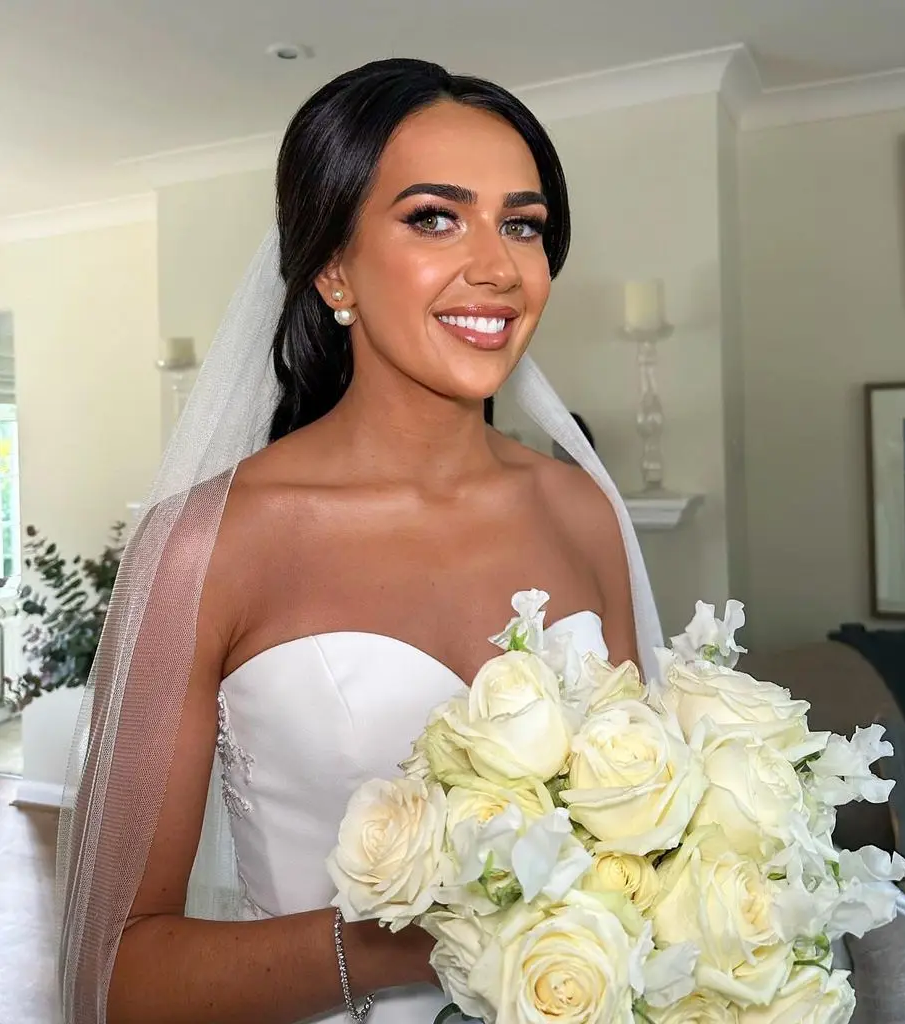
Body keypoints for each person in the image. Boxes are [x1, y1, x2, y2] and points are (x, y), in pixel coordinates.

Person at [56, 58, 661, 1024]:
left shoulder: (581, 509)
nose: (499, 266)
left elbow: (653, 844)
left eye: (523, 223)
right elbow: (116, 973)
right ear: (334, 267)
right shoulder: (205, 545)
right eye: (433, 217)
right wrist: (426, 940)